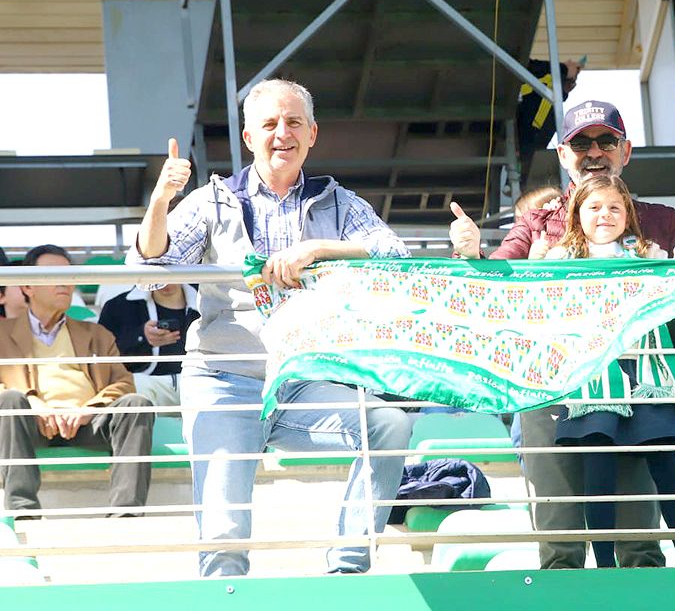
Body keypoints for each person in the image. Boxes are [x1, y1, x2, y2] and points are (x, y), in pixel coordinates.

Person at [127, 78, 414, 577]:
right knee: (223, 532)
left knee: (388, 424)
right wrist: (161, 199)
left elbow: (395, 253)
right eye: (269, 124)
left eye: (294, 122)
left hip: (301, 382)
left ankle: (347, 569)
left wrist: (319, 249)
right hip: (223, 380)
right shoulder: (215, 199)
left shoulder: (337, 202)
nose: (283, 133)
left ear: (312, 134)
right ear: (248, 138)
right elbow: (152, 262)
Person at [448, 100, 675, 569]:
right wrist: (472, 254)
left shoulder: (659, 218)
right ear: (563, 155)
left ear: (626, 151)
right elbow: (496, 276)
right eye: (581, 143)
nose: (594, 152)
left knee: (637, 536)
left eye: (606, 141)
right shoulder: (537, 221)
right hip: (550, 386)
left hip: (633, 385)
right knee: (560, 535)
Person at [532, 174, 675, 568]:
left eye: (614, 207)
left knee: (667, 463)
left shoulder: (648, 254)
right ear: (577, 214)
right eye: (594, 207)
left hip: (647, 375)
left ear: (628, 215)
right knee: (598, 466)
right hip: (592, 379)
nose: (604, 215)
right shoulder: (558, 258)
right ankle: (605, 564)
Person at [0, 245, 154, 516]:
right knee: (10, 400)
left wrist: (89, 409)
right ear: (27, 286)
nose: (65, 282)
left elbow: (123, 382)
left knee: (136, 403)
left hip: (86, 422)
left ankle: (126, 514)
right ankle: (23, 511)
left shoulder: (96, 333)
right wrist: (34, 403)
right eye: (53, 274)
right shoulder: (3, 333)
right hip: (29, 423)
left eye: (69, 275)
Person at [97, 284, 200, 409]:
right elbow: (103, 361)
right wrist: (141, 339)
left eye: (171, 269)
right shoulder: (118, 306)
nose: (166, 281)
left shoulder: (206, 303)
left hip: (197, 380)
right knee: (134, 388)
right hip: (144, 384)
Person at [516, 59, 582, 181]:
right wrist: (563, 68)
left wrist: (564, 78)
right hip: (517, 133)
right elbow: (527, 65)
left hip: (524, 142)